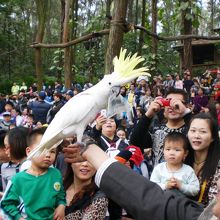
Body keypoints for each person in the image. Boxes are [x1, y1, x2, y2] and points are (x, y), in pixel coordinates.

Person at [62, 142, 205, 220]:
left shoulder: (100, 197)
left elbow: (153, 202)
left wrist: (91, 151)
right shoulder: (56, 187)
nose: (85, 165)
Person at [130, 88, 190, 166]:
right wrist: (148, 114)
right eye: (168, 102)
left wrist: (185, 113)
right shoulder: (156, 130)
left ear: (187, 106)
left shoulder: (192, 130)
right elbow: (135, 141)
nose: (172, 106)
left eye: (177, 103)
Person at [1, 148, 66, 219]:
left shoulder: (56, 174)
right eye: (42, 150)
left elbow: (60, 194)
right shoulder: (18, 179)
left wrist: (61, 205)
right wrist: (18, 218)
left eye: (52, 151)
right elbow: (6, 204)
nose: (48, 155)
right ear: (29, 152)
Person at [186, 112, 220, 206]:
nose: (196, 136)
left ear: (213, 137)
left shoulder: (217, 167)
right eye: (193, 130)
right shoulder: (180, 159)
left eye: (203, 131)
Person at [150, 132, 200, 197]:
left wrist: (181, 185)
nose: (171, 153)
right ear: (163, 151)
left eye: (177, 150)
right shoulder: (159, 169)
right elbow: (152, 187)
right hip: (161, 204)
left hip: (182, 204)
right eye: (168, 149)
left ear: (185, 153)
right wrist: (166, 186)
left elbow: (195, 190)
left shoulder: (188, 170)